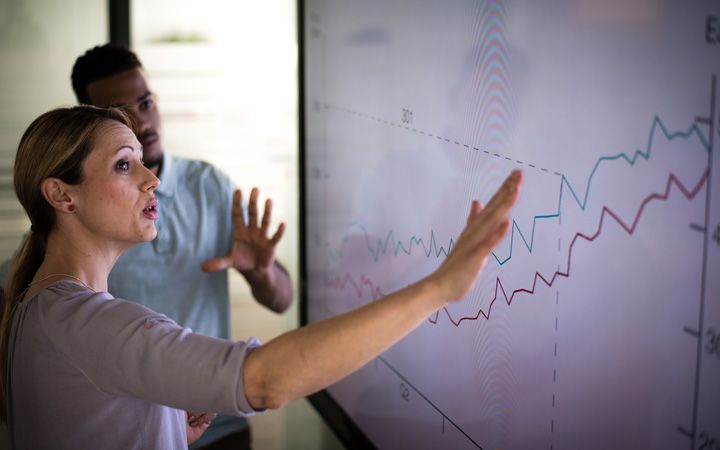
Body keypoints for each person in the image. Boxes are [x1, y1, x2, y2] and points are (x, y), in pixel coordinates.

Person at [0, 106, 522, 449]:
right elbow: (267, 381)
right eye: (122, 166)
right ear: (61, 195)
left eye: (141, 160)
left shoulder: (42, 307)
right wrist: (437, 288)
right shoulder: (87, 322)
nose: (151, 178)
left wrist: (160, 426)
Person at [70, 43, 294, 448]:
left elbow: (282, 300)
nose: (143, 120)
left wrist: (260, 271)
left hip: (220, 427)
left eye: (146, 102)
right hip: (137, 434)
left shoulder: (209, 186)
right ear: (92, 124)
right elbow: (23, 294)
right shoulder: (83, 206)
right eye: (123, 113)